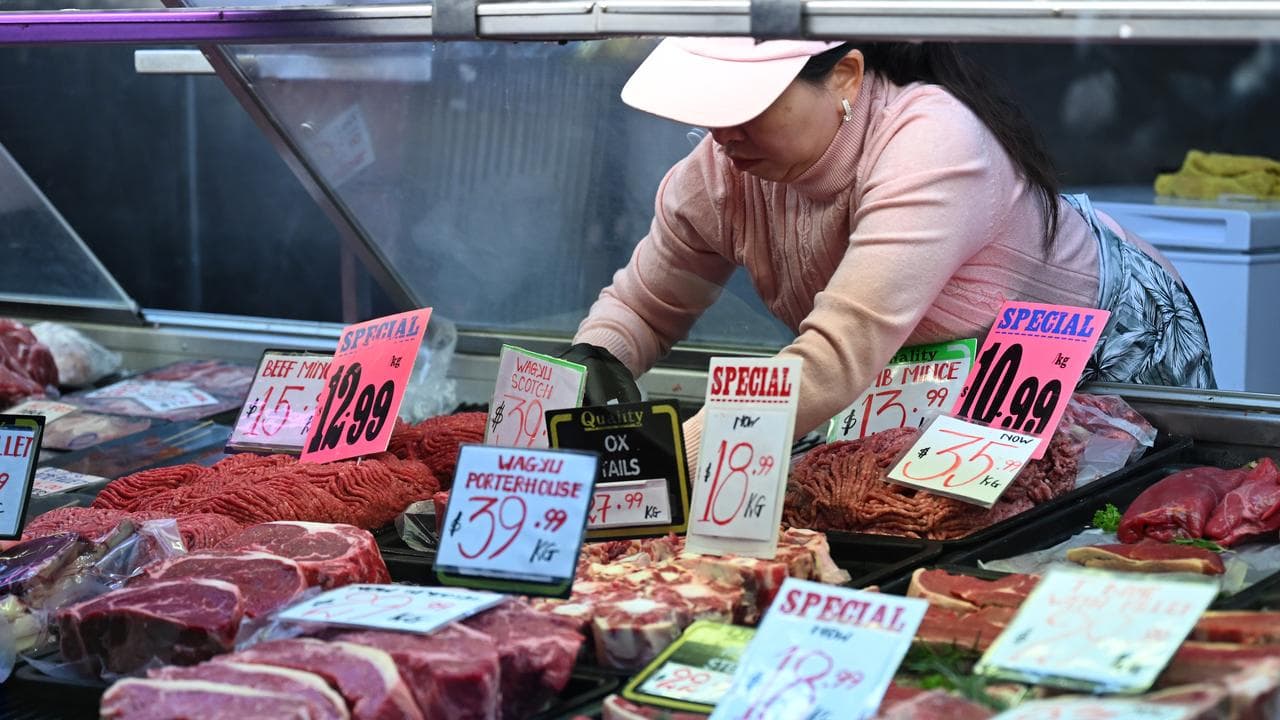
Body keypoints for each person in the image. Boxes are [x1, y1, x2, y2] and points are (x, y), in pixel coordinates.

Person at [561, 38, 1214, 459]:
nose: (722, 131)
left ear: (846, 76)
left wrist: (666, 462)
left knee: (1118, 537)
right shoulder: (722, 166)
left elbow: (836, 356)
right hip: (935, 378)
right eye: (712, 108)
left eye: (748, 106)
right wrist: (594, 368)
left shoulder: (932, 139)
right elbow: (645, 307)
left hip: (1100, 353)